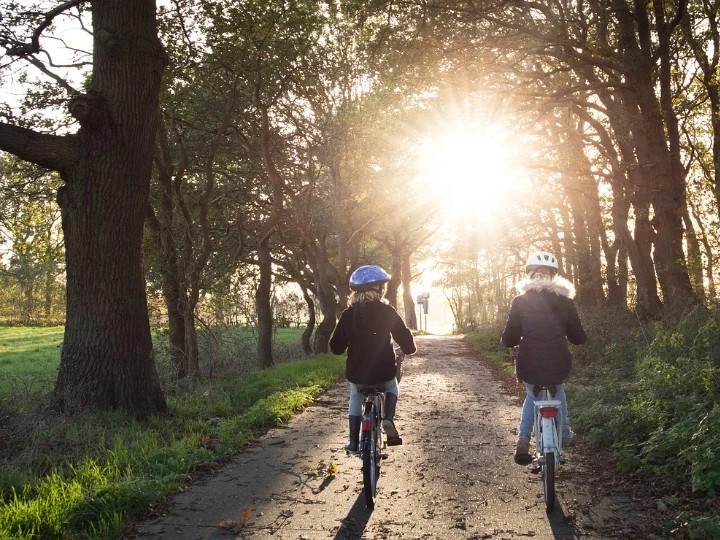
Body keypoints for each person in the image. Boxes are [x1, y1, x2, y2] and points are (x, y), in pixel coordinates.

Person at [501, 251, 588, 464]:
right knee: (557, 389)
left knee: (532, 395)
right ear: (553, 276)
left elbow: (509, 337)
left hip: (529, 362)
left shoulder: (520, 301)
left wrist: (510, 341)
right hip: (558, 361)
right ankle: (565, 433)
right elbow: (578, 337)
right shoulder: (566, 301)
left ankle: (523, 439)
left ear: (530, 275)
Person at [330, 264, 417, 452]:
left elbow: (335, 348)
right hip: (384, 372)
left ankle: (353, 443)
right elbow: (408, 345)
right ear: (380, 289)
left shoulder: (348, 315)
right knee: (392, 386)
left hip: (357, 374)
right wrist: (406, 348)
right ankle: (388, 419)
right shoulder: (387, 312)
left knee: (355, 395)